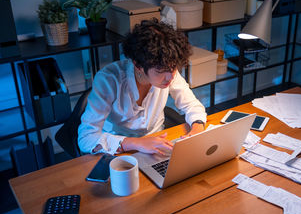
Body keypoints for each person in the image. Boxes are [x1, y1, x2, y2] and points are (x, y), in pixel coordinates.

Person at [78, 19, 207, 156]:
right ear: (138, 65)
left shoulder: (169, 72)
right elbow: (86, 138)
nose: (170, 77)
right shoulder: (109, 80)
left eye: (174, 68)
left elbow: (192, 105)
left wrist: (196, 130)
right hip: (117, 149)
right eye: (160, 71)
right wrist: (137, 143)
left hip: (157, 143)